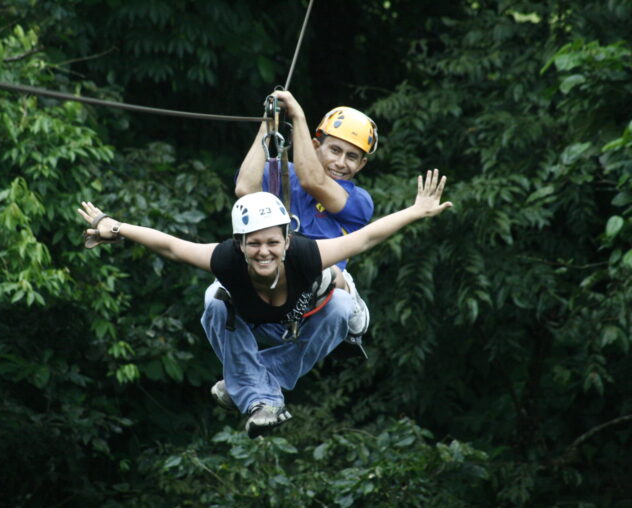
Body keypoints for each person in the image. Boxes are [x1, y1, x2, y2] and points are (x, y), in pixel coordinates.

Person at [78, 169, 452, 438]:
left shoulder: (306, 255)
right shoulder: (226, 259)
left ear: (287, 241)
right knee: (214, 299)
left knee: (339, 306)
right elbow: (173, 247)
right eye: (253, 243)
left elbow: (367, 238)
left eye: (273, 242)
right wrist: (116, 226)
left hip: (300, 319)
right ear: (240, 245)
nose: (263, 252)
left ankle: (244, 387)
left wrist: (416, 211)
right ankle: (258, 397)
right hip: (248, 322)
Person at [235, 90, 378, 348]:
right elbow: (245, 189)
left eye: (352, 156)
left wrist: (298, 116)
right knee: (218, 294)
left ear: (362, 165)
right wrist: (267, 124)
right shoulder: (281, 174)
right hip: (274, 282)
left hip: (320, 293)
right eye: (334, 150)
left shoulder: (358, 201)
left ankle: (350, 300)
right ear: (315, 146)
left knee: (323, 272)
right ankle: (249, 379)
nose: (340, 162)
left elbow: (313, 180)